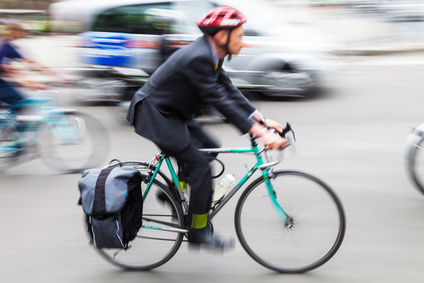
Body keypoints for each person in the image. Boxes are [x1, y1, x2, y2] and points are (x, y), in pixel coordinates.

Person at [127, 6, 289, 249]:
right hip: (154, 115)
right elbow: (219, 100)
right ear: (222, 36)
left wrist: (261, 119)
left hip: (172, 113)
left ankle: (171, 191)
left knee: (210, 146)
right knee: (200, 167)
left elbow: (228, 89)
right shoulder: (200, 57)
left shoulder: (213, 54)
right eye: (240, 36)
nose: (243, 43)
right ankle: (198, 231)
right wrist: (260, 134)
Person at [0, 21, 67, 108]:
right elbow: (7, 69)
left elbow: (31, 63)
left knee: (14, 104)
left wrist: (57, 76)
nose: (23, 34)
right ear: (13, 32)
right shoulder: (4, 46)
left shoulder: (9, 46)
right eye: (21, 32)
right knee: (19, 103)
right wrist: (27, 83)